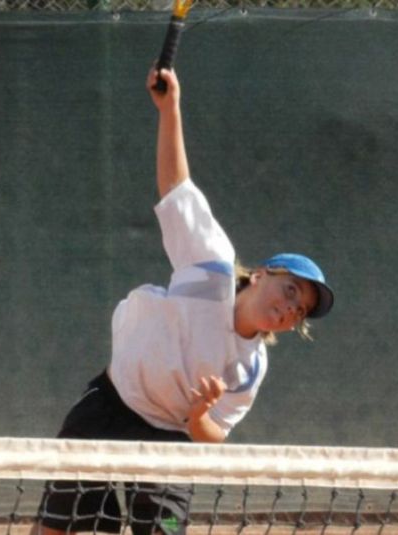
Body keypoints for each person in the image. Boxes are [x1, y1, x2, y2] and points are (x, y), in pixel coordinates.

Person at [34, 65, 334, 535]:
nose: (290, 307)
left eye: (299, 311)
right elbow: (177, 188)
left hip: (169, 438)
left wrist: (197, 416)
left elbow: (214, 438)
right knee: (55, 530)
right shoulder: (209, 266)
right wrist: (169, 108)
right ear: (260, 275)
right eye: (290, 290)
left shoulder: (249, 369)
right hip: (111, 405)